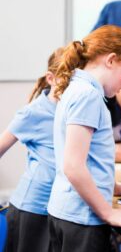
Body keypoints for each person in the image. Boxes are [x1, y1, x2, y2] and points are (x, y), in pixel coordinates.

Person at [47, 25, 121, 252]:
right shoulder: (88, 96)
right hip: (82, 217)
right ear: (111, 60)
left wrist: (111, 185)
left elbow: (88, 153)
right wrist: (108, 212)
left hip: (67, 210)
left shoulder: (77, 88)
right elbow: (73, 166)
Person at [0, 48, 63, 252]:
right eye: (66, 79)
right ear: (51, 78)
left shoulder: (74, 111)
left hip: (58, 207)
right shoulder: (34, 112)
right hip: (32, 207)